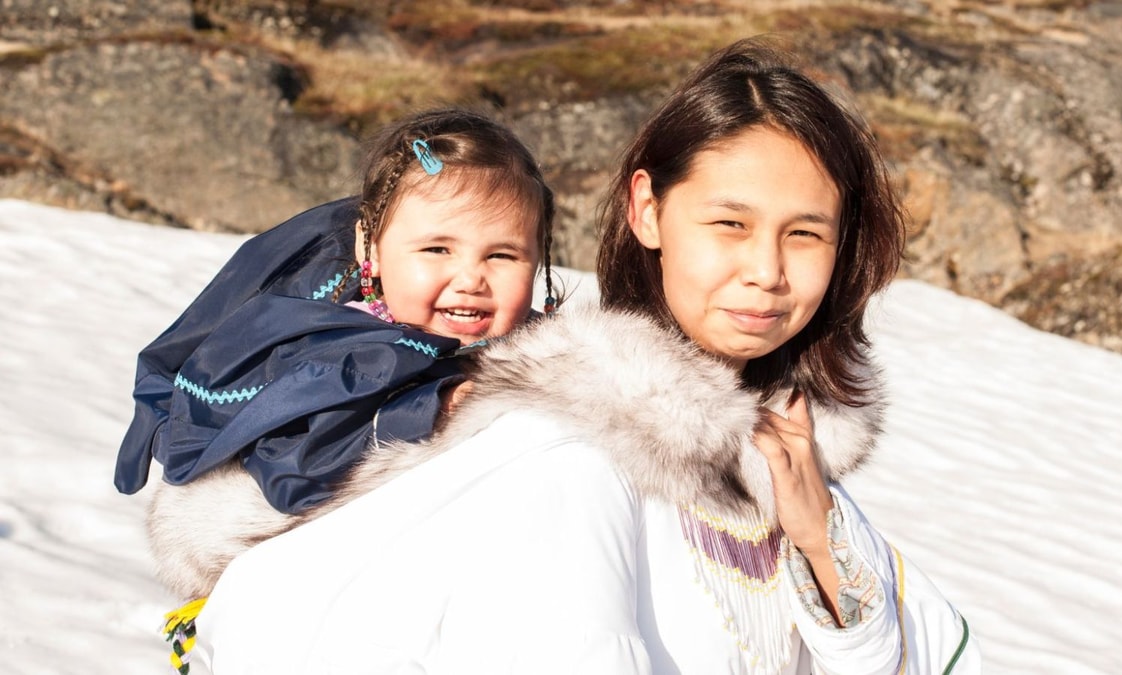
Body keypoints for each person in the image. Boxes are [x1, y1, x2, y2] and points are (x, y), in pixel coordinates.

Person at [188, 37, 980, 674]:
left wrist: (818, 542)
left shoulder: (790, 458)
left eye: (804, 233)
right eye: (730, 224)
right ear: (647, 209)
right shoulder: (567, 444)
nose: (768, 271)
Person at [113, 108, 558, 603]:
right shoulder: (332, 347)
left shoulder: (542, 354)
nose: (472, 278)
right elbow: (294, 462)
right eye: (436, 249)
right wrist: (431, 406)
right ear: (371, 246)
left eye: (502, 255)